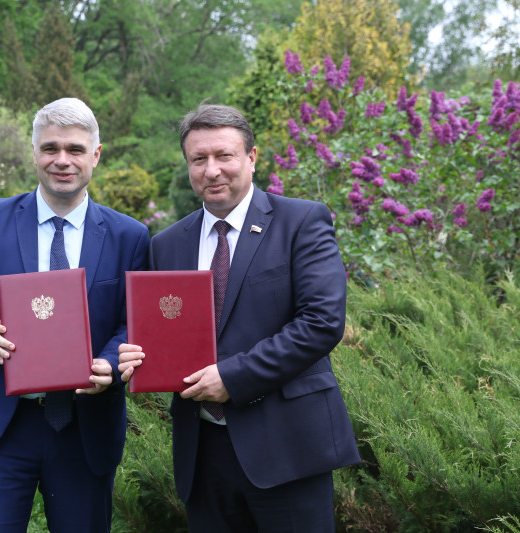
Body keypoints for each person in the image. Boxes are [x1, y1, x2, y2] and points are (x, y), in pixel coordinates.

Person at [118, 103, 360, 532]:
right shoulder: (166, 245)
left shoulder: (301, 221)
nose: (211, 170)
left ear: (251, 157)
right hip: (203, 455)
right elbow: (165, 332)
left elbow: (321, 322)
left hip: (287, 448)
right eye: (198, 159)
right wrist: (137, 356)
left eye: (223, 156)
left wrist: (233, 377)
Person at [0, 97, 150, 532]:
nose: (62, 160)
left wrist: (110, 363)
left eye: (74, 149)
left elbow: (134, 320)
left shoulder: (130, 235)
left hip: (85, 429)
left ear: (95, 155)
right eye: (50, 148)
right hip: (0, 425)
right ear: (34, 153)